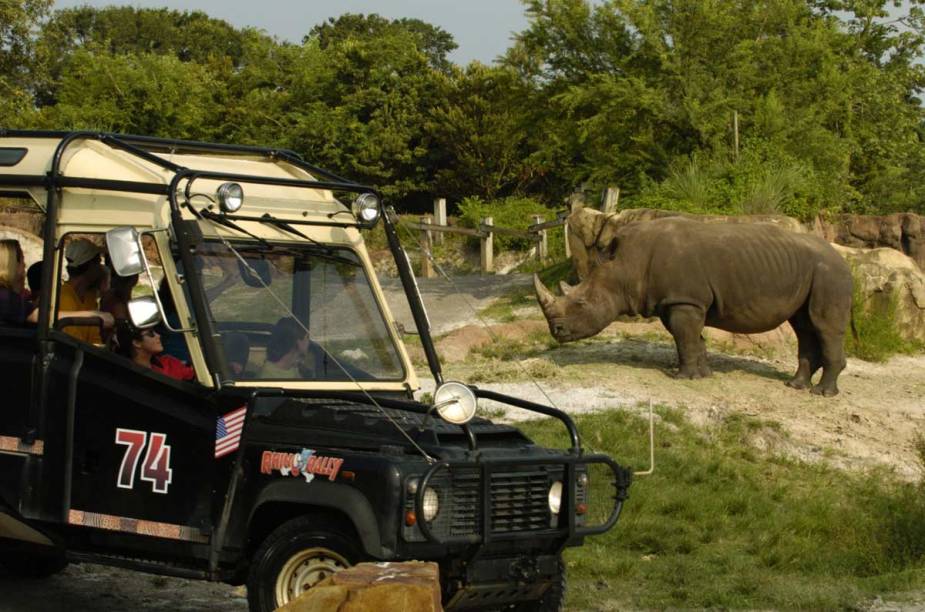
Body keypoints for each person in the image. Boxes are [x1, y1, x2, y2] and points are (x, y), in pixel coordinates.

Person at [0, 240, 113, 330]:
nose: (24, 265)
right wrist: (93, 315)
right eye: (21, 260)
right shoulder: (4, 297)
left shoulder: (9, 296)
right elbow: (41, 317)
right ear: (11, 264)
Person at [59, 238, 108, 344]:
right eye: (98, 262)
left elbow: (95, 338)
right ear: (90, 266)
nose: (101, 268)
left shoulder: (89, 296)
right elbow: (75, 342)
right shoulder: (64, 298)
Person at [115, 322, 195, 382]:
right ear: (136, 343)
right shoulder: (124, 377)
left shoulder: (169, 363)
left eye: (155, 332)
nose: (158, 335)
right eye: (150, 334)